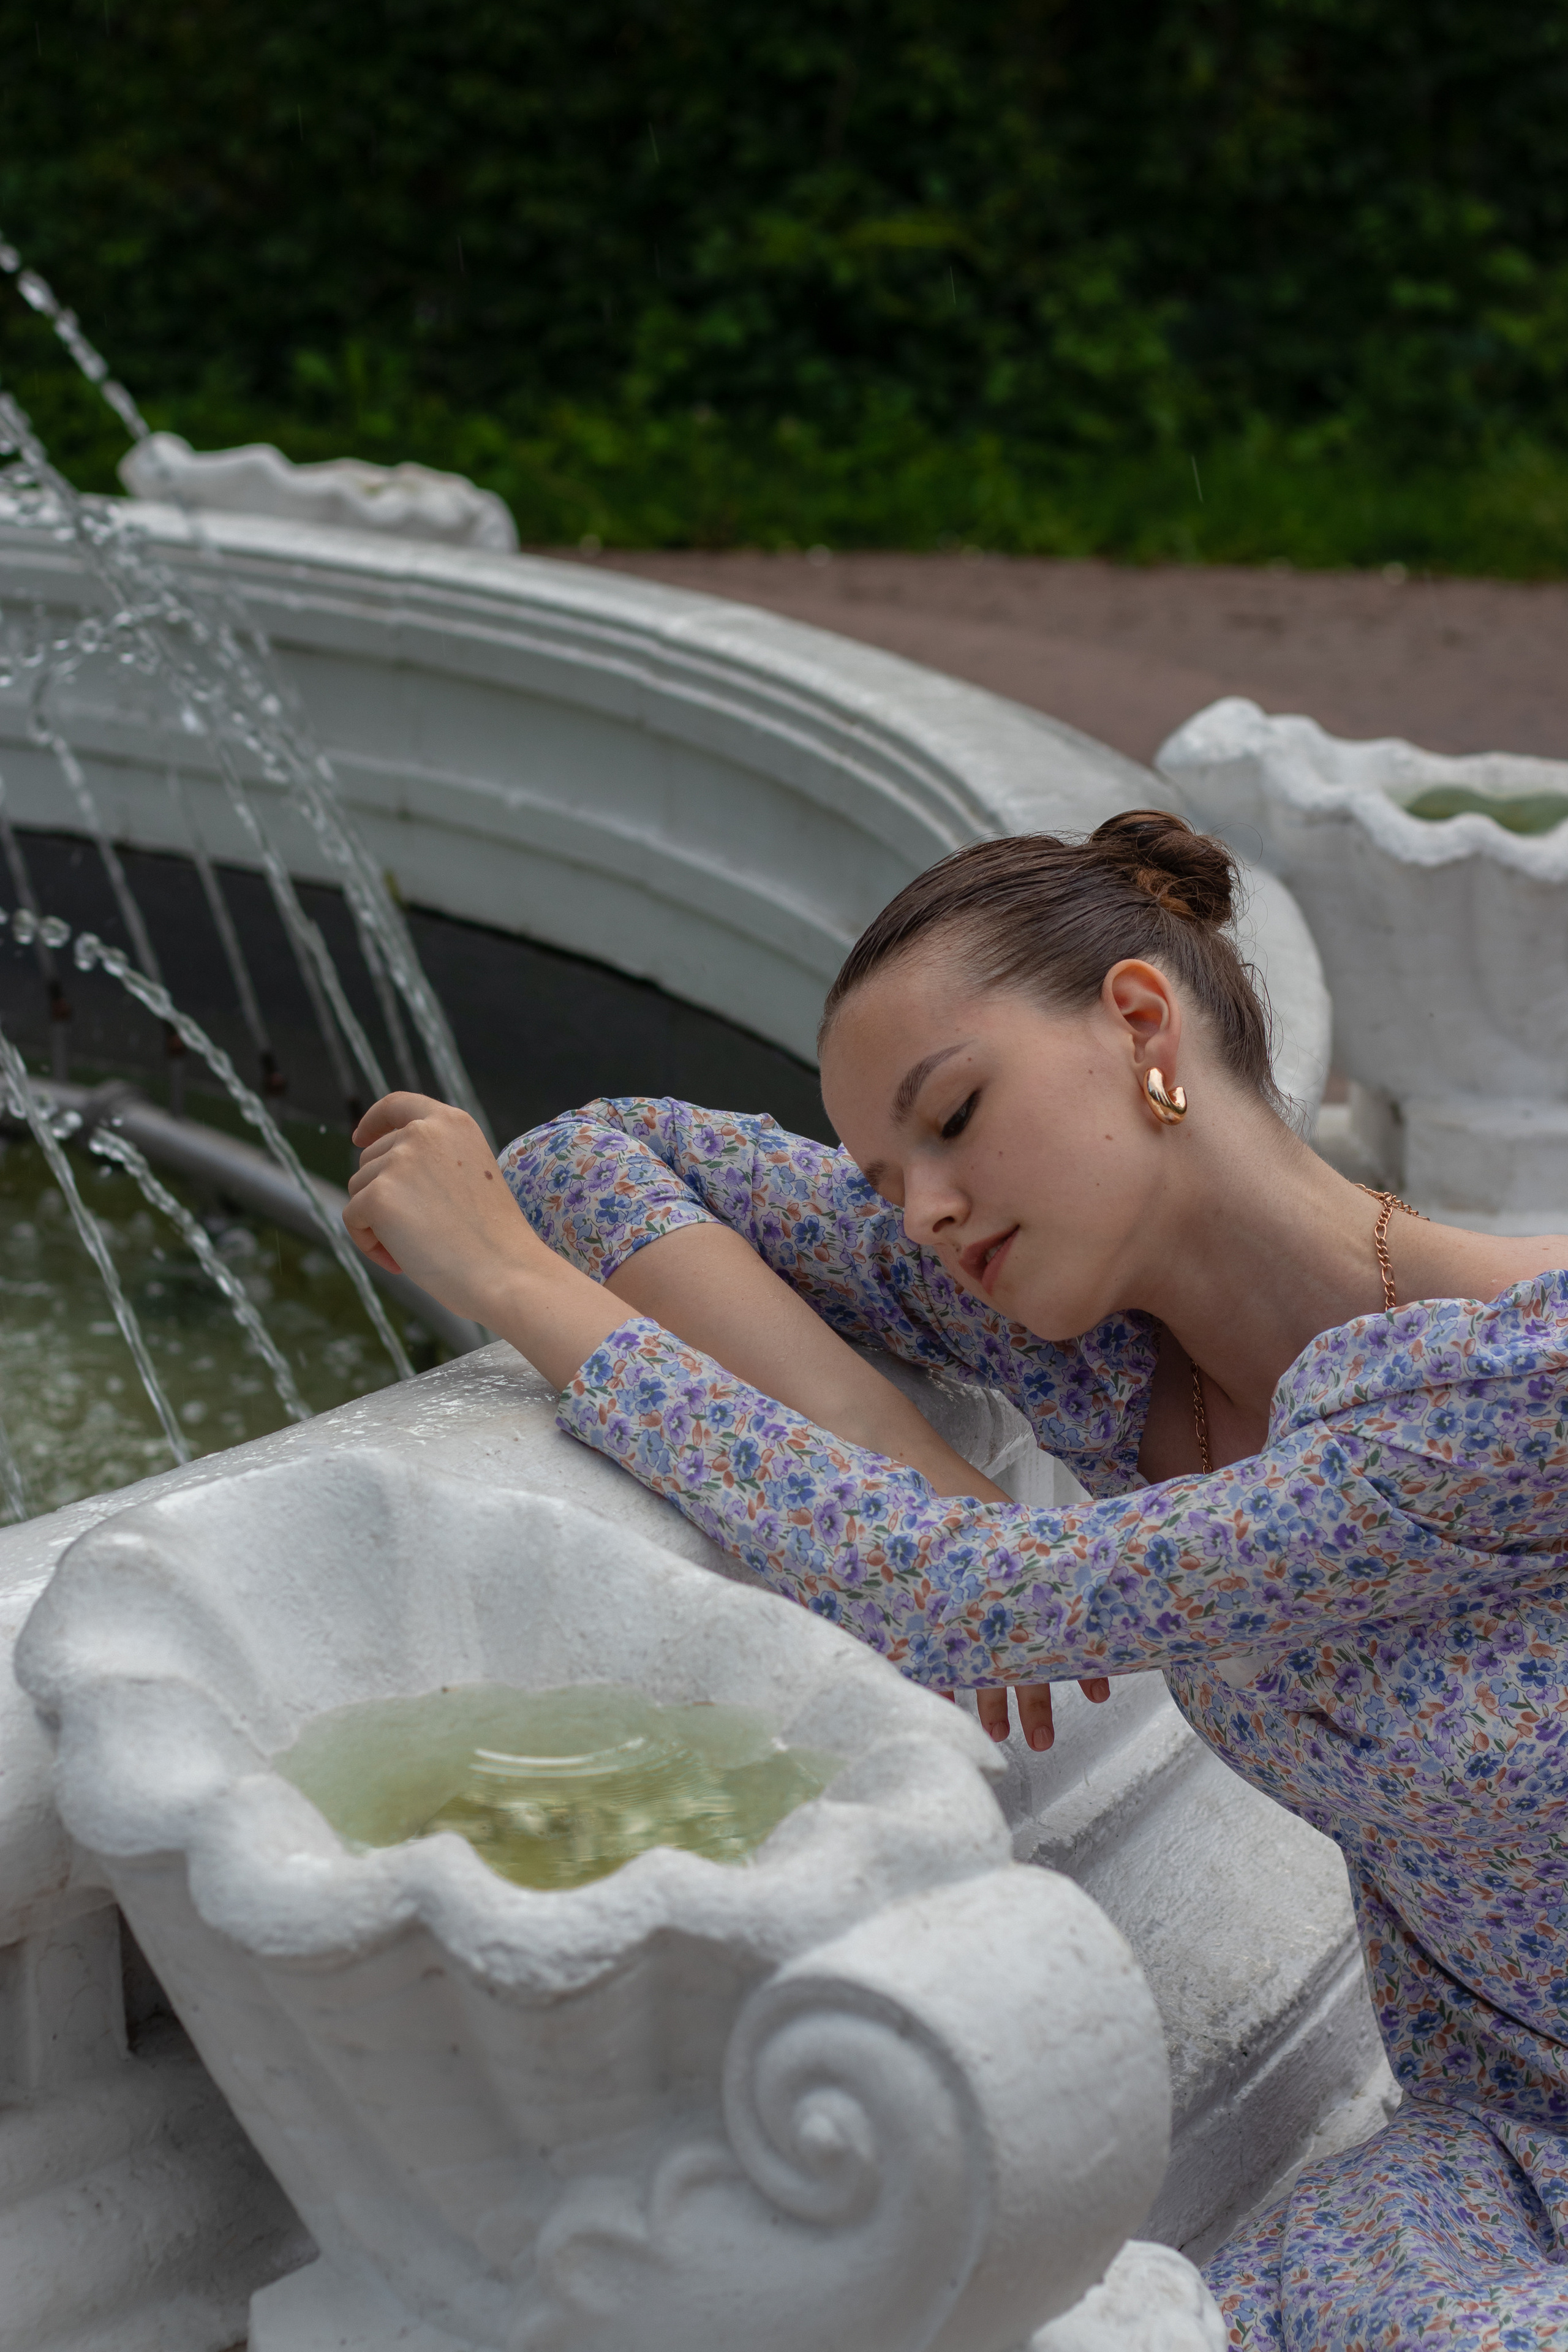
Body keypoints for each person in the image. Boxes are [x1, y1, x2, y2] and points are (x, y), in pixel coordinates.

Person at [343, 809, 1568, 2349]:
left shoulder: (1508, 1378)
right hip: (1508, 2152)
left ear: (1138, 1023)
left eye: (954, 1115)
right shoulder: (1110, 1365)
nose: (918, 1206)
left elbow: (954, 1598)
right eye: (881, 1169)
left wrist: (504, 1281)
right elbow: (602, 1157)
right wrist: (877, 1429)